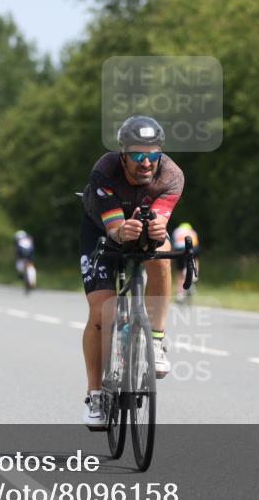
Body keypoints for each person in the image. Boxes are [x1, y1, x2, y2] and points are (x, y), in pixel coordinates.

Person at [79, 115, 184, 427]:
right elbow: (115, 229)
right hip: (101, 229)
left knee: (162, 254)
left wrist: (155, 228)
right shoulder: (105, 170)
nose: (146, 163)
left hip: (143, 227)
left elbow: (162, 224)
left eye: (153, 155)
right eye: (138, 155)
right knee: (101, 312)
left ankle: (155, 338)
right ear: (123, 154)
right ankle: (95, 393)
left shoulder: (172, 175)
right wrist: (122, 230)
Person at [171, 222, 200, 303]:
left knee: (180, 273)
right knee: (195, 259)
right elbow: (196, 244)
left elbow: (173, 244)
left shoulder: (176, 231)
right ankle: (194, 275)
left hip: (179, 250)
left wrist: (172, 259)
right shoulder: (193, 232)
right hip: (192, 249)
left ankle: (179, 295)